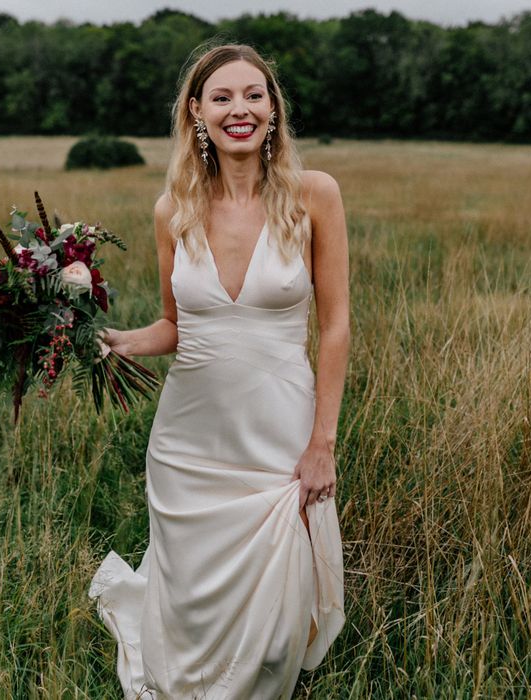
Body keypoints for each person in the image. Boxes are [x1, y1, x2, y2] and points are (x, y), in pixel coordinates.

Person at [88, 43, 349, 699]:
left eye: (254, 95)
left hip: (279, 434)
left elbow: (337, 324)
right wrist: (117, 342)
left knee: (277, 629)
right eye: (223, 97)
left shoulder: (314, 195)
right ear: (196, 113)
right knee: (190, 595)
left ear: (273, 109)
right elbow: (176, 325)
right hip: (189, 441)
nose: (241, 109)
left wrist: (323, 442)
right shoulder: (172, 210)